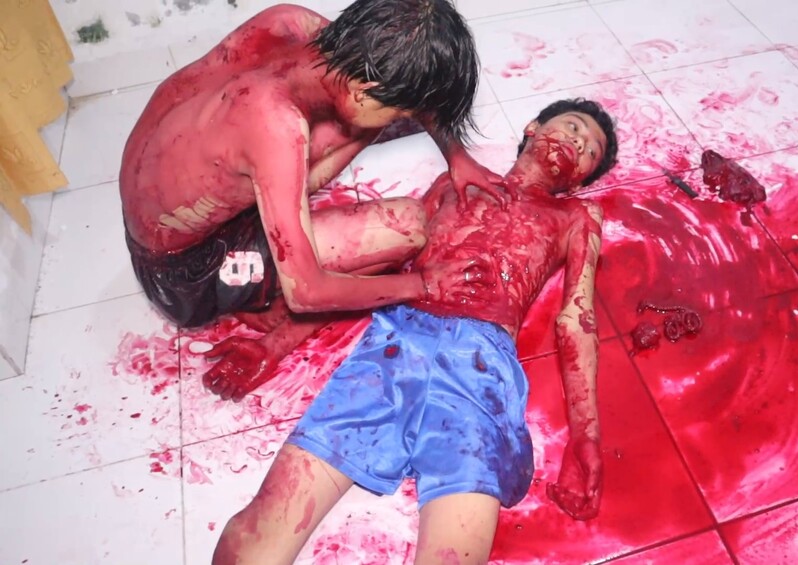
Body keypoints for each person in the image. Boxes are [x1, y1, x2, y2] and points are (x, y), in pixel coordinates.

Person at [212, 98, 619, 564]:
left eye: (590, 150)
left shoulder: (577, 217)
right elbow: (384, 265)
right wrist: (274, 344)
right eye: (574, 127)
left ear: (580, 180)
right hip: (395, 345)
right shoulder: (455, 180)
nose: (578, 143)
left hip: (480, 374)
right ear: (532, 127)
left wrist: (586, 435)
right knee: (262, 528)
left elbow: (577, 319)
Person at [119, 1, 507, 399]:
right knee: (405, 226)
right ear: (363, 93)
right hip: (186, 274)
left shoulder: (289, 23)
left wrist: (457, 157)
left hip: (171, 205)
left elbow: (403, 77)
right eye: (398, 115)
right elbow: (307, 292)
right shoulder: (277, 127)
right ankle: (250, 300)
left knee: (347, 129)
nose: (401, 121)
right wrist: (422, 285)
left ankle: (259, 274)